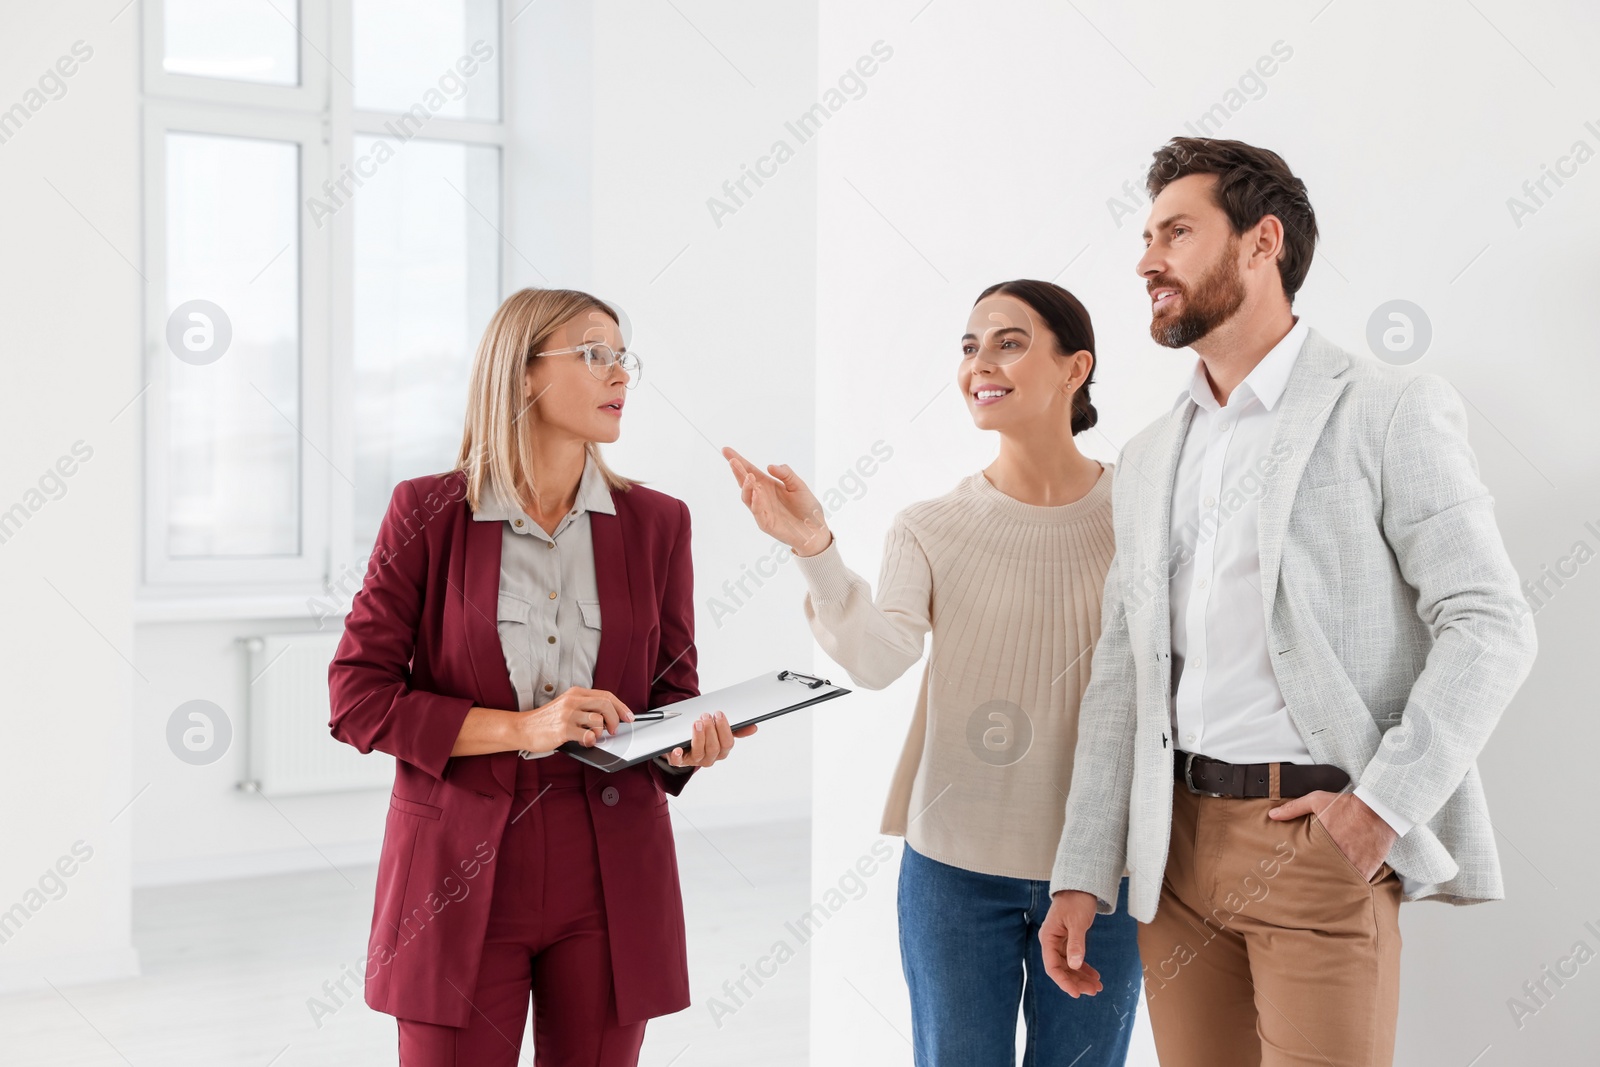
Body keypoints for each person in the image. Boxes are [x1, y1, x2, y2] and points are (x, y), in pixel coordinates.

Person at [1039, 138, 1538, 1066]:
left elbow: (1491, 621)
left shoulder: (1387, 408)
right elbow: (1121, 674)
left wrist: (1379, 806)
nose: (1148, 259)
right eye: (1146, 236)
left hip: (1317, 840)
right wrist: (1079, 873)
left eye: (1177, 233)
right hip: (1173, 853)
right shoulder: (1150, 454)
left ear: (1262, 241)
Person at [328, 287, 755, 1066]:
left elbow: (670, 693)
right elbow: (358, 697)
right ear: (522, 373)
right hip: (455, 870)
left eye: (624, 356)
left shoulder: (660, 523)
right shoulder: (426, 511)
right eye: (595, 353)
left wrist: (683, 745)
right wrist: (527, 728)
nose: (619, 374)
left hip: (611, 868)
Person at [725, 280, 1142, 1066]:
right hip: (954, 872)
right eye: (969, 345)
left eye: (1009, 341)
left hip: (1103, 870)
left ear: (1073, 367)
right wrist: (816, 550)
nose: (980, 361)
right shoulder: (930, 526)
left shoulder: (1144, 513)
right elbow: (880, 658)